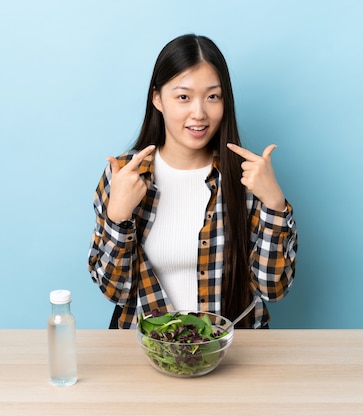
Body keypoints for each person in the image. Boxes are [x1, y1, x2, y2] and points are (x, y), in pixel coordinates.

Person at [88, 34, 298, 329]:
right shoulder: (125, 174)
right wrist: (118, 218)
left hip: (231, 354)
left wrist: (275, 205)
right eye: (183, 97)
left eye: (213, 96)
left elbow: (272, 289)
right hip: (149, 354)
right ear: (157, 98)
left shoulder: (247, 177)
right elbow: (115, 290)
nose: (199, 114)